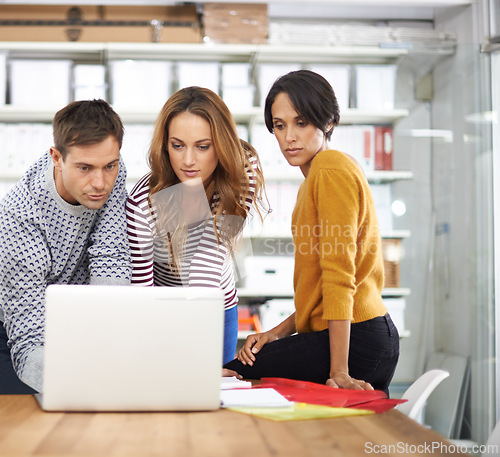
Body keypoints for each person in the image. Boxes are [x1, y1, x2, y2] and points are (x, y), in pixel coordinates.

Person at [224, 70, 400, 395]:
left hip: (356, 340)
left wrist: (340, 371)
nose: (290, 136)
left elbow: (338, 275)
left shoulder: (330, 170)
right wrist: (276, 333)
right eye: (280, 125)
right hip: (356, 335)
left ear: (328, 122)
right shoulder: (318, 175)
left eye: (301, 122)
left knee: (229, 374)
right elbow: (317, 291)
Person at [126, 86, 265, 365]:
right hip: (161, 311)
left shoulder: (242, 172)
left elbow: (208, 264)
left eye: (203, 146)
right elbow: (142, 293)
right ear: (164, 145)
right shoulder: (143, 202)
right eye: (177, 146)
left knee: (212, 396)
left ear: (222, 144)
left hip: (216, 306)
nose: (188, 161)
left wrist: (202, 363)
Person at [0, 99, 132, 394]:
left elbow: (110, 256)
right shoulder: (17, 217)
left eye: (109, 165)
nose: (100, 182)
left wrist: (114, 351)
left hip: (80, 319)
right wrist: (86, 384)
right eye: (84, 168)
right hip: (18, 332)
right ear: (56, 157)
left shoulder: (110, 170)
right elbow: (29, 339)